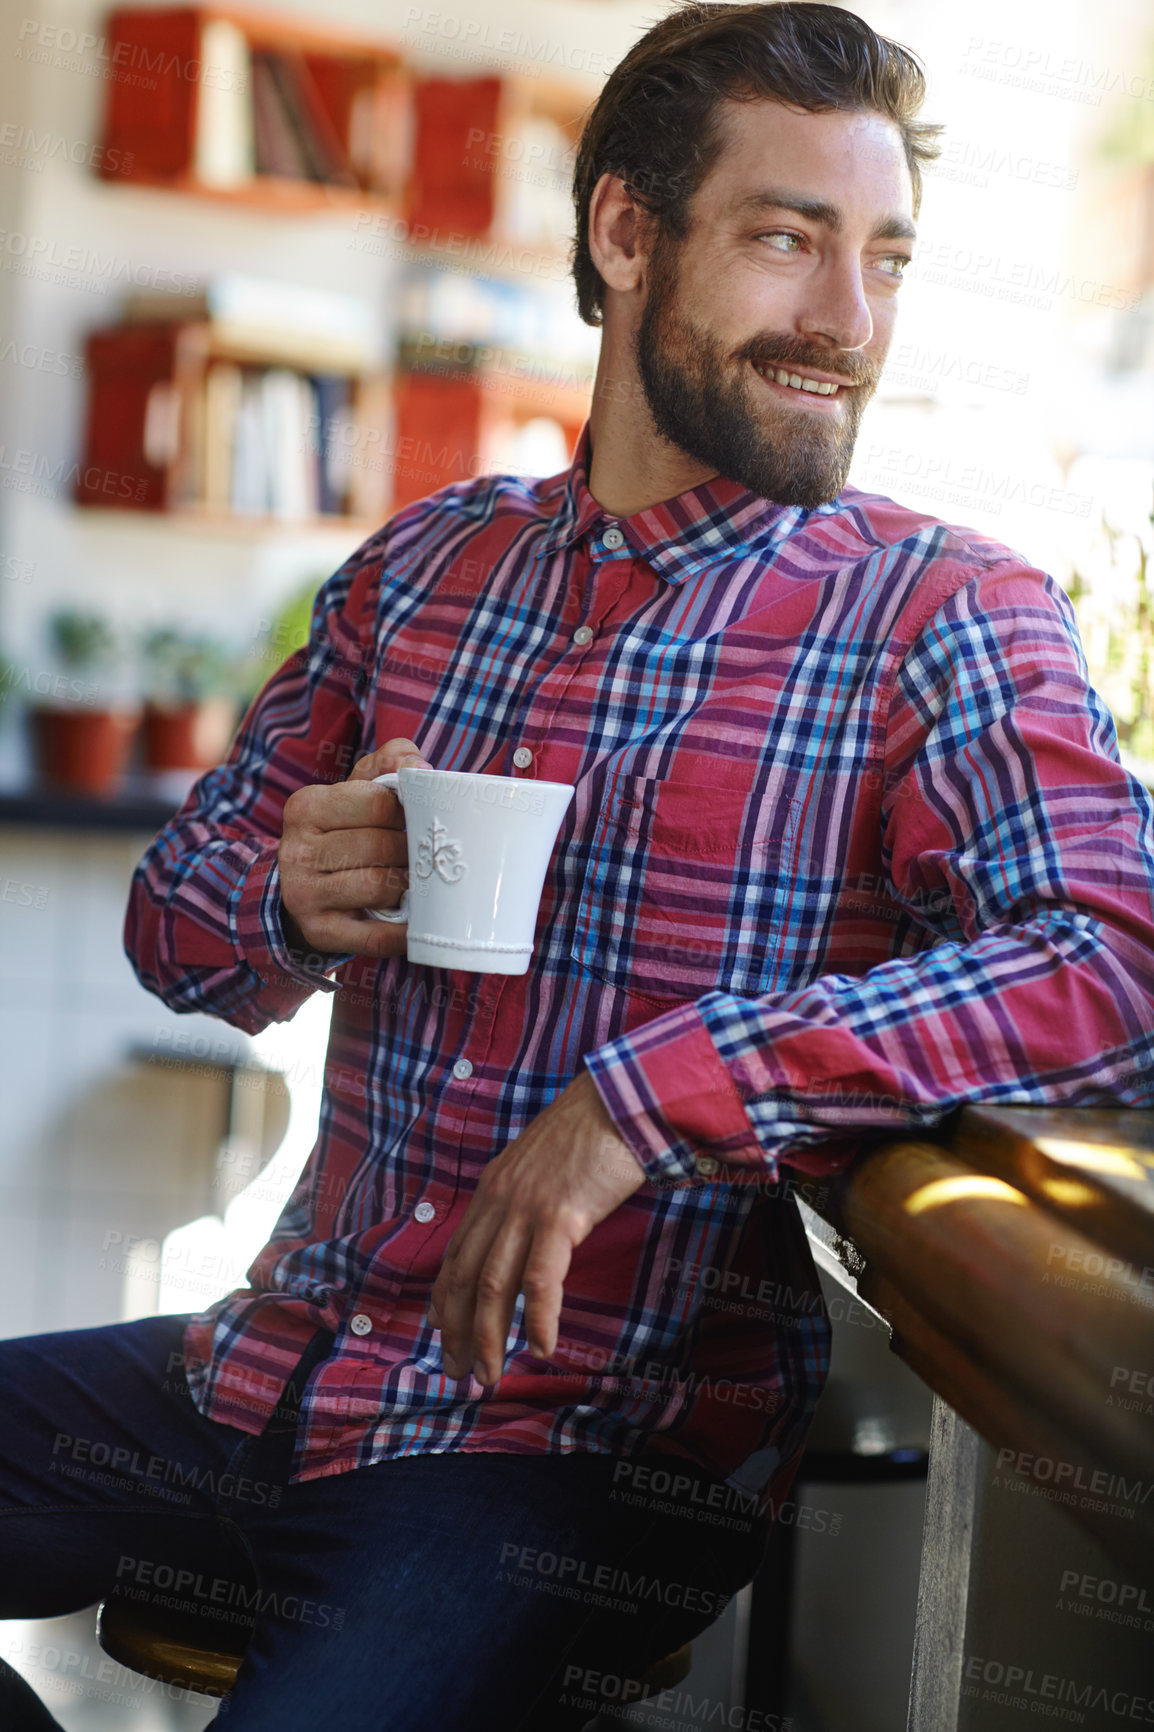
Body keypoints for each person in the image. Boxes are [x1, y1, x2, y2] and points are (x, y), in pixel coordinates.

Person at [5, 3, 1154, 1727]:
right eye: (786, 239)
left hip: (565, 1455)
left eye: (885, 258)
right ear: (626, 233)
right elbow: (179, 924)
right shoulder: (426, 567)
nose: (847, 322)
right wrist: (283, 900)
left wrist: (648, 1098)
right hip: (260, 1368)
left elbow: (1107, 963)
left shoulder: (941, 616)